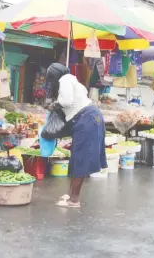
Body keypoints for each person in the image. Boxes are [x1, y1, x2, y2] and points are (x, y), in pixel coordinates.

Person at [46, 63, 106, 208]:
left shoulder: (65, 79)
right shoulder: (73, 80)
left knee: (80, 159)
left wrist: (54, 105)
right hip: (90, 118)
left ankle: (74, 200)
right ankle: (70, 195)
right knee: (76, 158)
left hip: (86, 119)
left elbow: (66, 101)